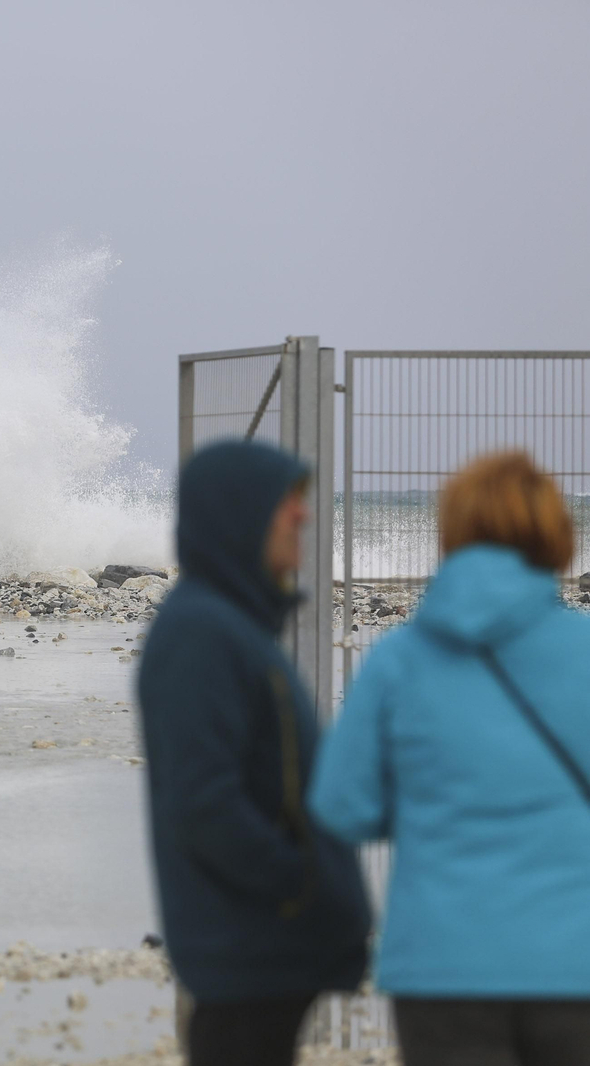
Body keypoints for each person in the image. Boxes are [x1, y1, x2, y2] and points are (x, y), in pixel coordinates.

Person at [309, 451, 590, 1066]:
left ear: (453, 531)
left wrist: (430, 805)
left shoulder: (398, 660)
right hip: (578, 963)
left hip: (442, 963)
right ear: (557, 536)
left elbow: (341, 807)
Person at [137, 439, 371, 1066]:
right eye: (285, 504)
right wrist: (300, 885)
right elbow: (203, 802)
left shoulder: (229, 626)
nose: (304, 516)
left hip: (262, 955)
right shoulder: (200, 634)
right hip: (246, 953)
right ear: (240, 516)